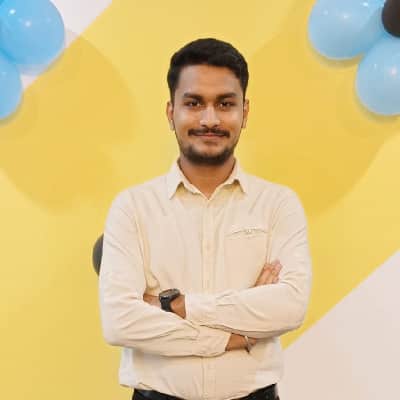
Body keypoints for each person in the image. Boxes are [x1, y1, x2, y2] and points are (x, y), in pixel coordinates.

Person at [99, 38, 312, 400]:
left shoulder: (278, 204)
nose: (210, 119)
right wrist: (236, 335)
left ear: (245, 112)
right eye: (194, 103)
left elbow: (289, 307)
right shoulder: (132, 207)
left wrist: (177, 305)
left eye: (225, 104)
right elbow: (120, 322)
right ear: (171, 113)